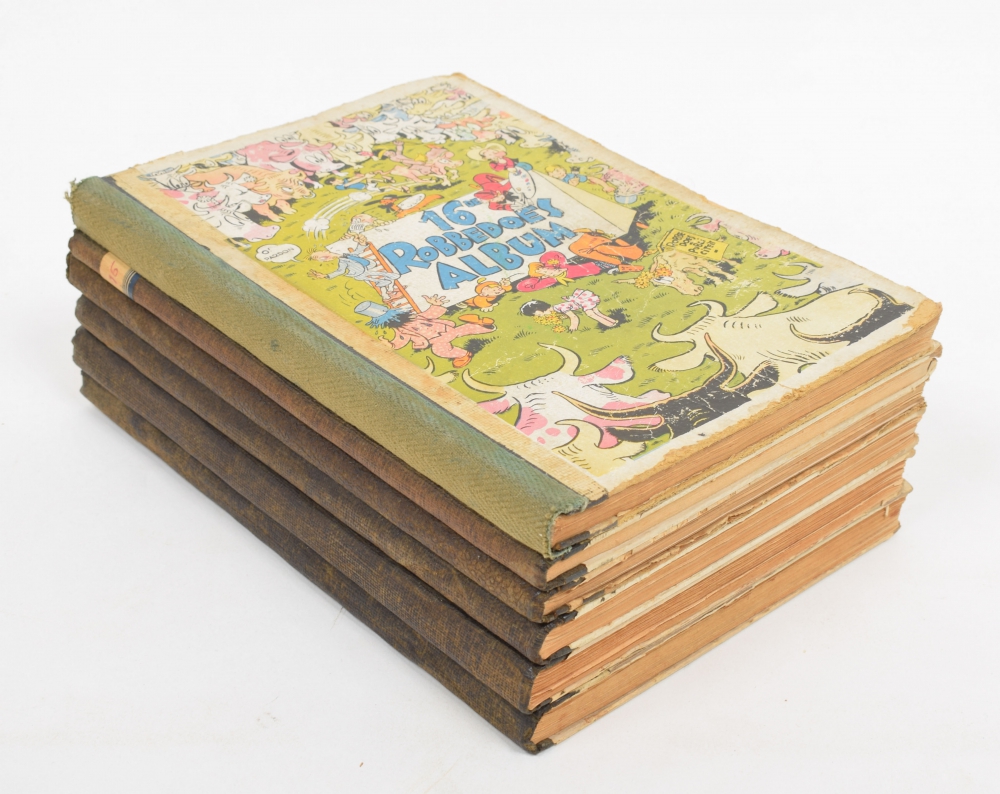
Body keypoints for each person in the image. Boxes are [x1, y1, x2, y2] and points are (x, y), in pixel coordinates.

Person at [519, 289, 618, 333]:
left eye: (540, 314)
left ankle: (610, 324)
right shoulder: (557, 309)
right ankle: (613, 321)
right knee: (596, 312)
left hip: (583, 302)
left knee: (591, 314)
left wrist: (573, 326)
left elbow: (573, 316)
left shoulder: (559, 308)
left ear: (542, 309)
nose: (543, 316)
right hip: (582, 302)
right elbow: (566, 315)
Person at [514, 251, 602, 292]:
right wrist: (534, 279)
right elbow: (522, 287)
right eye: (544, 272)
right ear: (544, 276)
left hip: (597, 263)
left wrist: (554, 264)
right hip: (596, 270)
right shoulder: (551, 279)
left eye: (544, 268)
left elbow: (553, 255)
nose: (547, 270)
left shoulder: (560, 265)